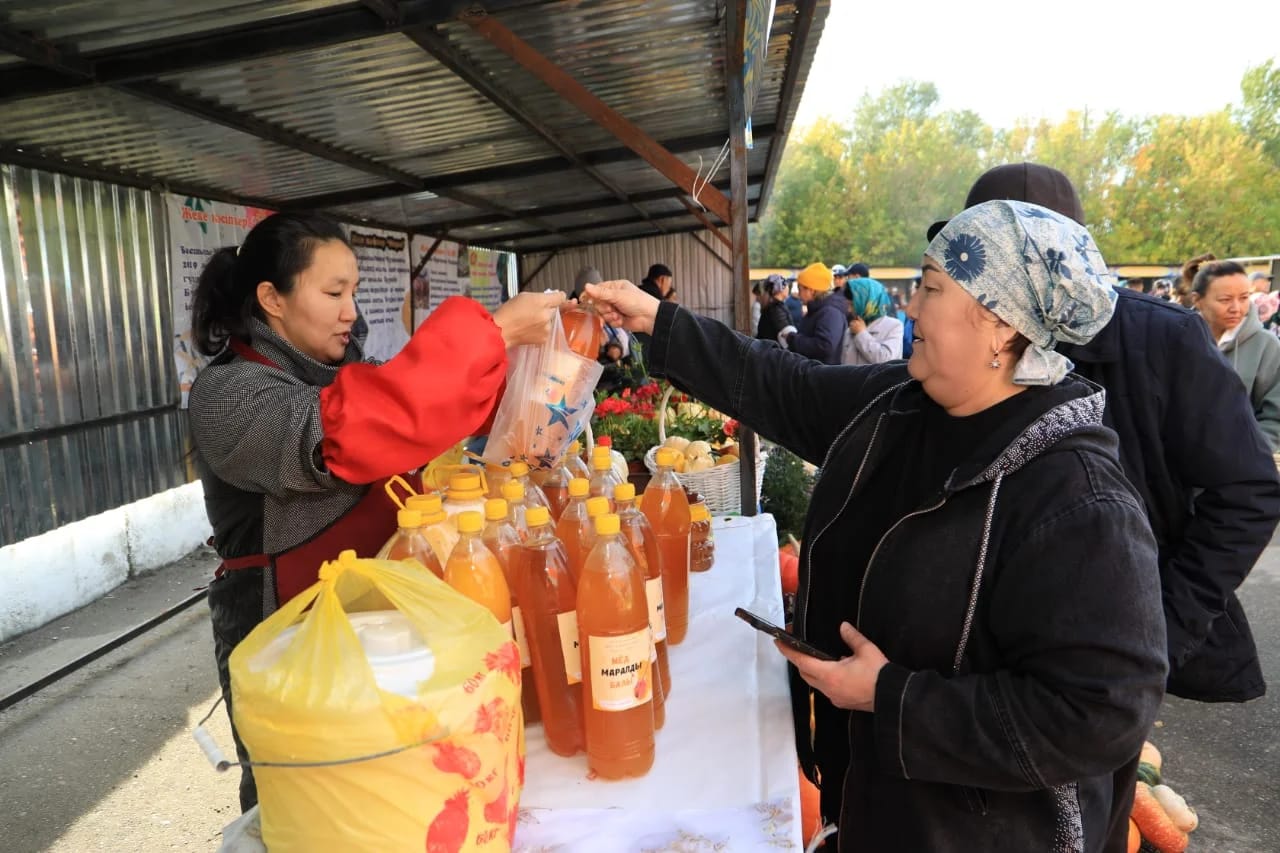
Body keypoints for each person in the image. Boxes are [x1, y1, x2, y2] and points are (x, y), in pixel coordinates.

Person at [585, 200, 1167, 852]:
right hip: (876, 802)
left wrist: (894, 698)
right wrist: (657, 320)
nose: (910, 307)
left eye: (931, 288)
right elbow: (785, 385)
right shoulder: (901, 406)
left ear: (1001, 326)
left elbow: (1102, 713)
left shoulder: (1080, 501)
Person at [187, 211, 564, 812]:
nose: (351, 312)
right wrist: (491, 333)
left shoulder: (341, 373)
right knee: (309, 800)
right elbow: (353, 430)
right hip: (284, 631)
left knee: (387, 790)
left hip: (371, 628)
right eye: (334, 293)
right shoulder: (229, 395)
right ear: (272, 299)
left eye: (354, 292)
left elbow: (418, 409)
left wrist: (523, 366)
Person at [946, 164, 1277, 714]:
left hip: (1105, 639)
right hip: (985, 638)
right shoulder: (967, 334)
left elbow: (1247, 492)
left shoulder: (1162, 338)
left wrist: (1161, 626)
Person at [1188, 257, 1280, 448]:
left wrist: (1253, 452)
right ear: (1197, 300)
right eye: (1225, 300)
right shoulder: (1178, 340)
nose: (1236, 308)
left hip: (1246, 455)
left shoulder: (1267, 346)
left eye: (1244, 298)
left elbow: (1275, 418)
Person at [778, 262, 848, 365]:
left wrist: (792, 339)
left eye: (800, 289)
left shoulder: (830, 312)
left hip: (823, 373)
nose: (798, 294)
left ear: (811, 290)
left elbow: (825, 346)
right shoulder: (818, 310)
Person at [841, 275, 903, 364]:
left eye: (852, 305)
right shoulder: (851, 329)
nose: (849, 310)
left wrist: (861, 334)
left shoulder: (894, 326)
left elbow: (887, 360)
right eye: (848, 305)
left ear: (867, 302)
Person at [755, 273, 793, 345]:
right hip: (773, 350)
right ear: (780, 289)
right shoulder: (775, 309)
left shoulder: (773, 307)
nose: (788, 287)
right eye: (785, 284)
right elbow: (786, 335)